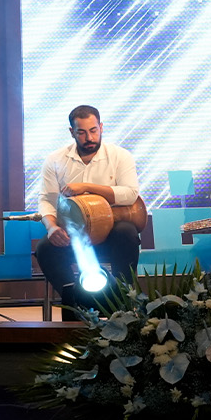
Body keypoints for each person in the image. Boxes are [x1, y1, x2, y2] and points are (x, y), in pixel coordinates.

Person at [36, 104, 141, 313]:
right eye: (82, 132)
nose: (89, 138)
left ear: (101, 127)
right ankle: (74, 302)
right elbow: (47, 200)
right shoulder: (55, 159)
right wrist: (51, 227)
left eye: (93, 130)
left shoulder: (120, 156)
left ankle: (123, 302)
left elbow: (131, 193)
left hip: (110, 234)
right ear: (72, 132)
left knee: (127, 233)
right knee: (45, 248)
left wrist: (87, 187)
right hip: (74, 236)